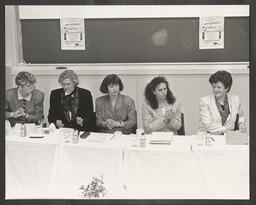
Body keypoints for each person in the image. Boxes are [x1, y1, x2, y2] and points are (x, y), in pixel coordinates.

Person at [199, 70, 246, 135]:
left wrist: (241, 123)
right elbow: (208, 124)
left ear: (227, 88)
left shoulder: (236, 100)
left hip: (229, 138)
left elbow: (241, 115)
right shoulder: (204, 101)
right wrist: (227, 131)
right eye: (213, 86)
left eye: (219, 87)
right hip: (209, 137)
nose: (215, 90)